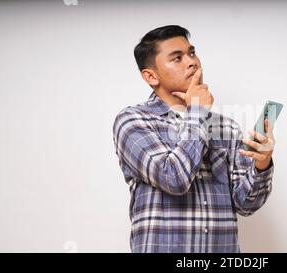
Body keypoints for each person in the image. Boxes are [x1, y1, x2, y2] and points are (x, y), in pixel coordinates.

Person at [112, 25, 276, 253]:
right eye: (176, 58)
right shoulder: (133, 121)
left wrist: (261, 165)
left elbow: (246, 204)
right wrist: (198, 113)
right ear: (151, 76)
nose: (192, 62)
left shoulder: (226, 127)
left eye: (191, 53)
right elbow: (173, 178)